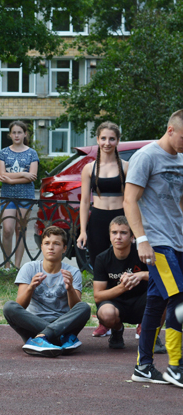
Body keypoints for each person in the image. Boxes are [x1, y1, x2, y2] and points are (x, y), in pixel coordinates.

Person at [124, 109, 183, 387]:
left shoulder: (181, 160)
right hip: (157, 242)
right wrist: (142, 239)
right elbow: (129, 200)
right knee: (179, 299)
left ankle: (143, 366)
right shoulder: (146, 156)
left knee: (156, 304)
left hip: (178, 240)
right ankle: (176, 366)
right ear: (170, 130)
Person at [2, 226, 91, 357]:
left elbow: (75, 308)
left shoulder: (73, 272)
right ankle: (58, 339)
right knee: (9, 307)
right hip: (35, 326)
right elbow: (20, 305)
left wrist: (70, 289)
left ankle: (42, 339)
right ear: (41, 247)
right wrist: (30, 288)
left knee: (84, 307)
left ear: (64, 249)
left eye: (56, 244)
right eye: (47, 243)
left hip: (63, 324)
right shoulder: (29, 268)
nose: (51, 247)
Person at [77, 122, 130, 337]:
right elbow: (84, 202)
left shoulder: (126, 167)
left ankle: (128, 314)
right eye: (103, 138)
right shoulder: (89, 168)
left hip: (121, 220)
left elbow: (132, 200)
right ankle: (104, 319)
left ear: (118, 141)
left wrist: (135, 229)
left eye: (112, 139)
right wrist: (83, 231)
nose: (107, 143)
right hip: (98, 221)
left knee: (125, 267)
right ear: (97, 140)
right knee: (101, 268)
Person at [93, 216, 148, 350]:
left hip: (141, 301)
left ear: (132, 236)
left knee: (162, 296)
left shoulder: (142, 253)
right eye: (114, 232)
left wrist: (141, 275)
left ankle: (152, 335)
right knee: (106, 313)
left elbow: (162, 278)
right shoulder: (102, 258)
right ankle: (117, 330)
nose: (118, 237)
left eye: (123, 233)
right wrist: (123, 287)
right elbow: (98, 296)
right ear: (110, 235)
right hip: (116, 303)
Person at [0, 121, 39, 269]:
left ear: (25, 134)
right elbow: (2, 175)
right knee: (7, 229)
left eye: (19, 132)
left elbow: (33, 176)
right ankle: (6, 266)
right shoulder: (3, 153)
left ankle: (17, 266)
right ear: (9, 135)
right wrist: (23, 174)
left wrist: (11, 180)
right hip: (7, 196)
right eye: (14, 132)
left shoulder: (32, 153)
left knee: (20, 230)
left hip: (26, 196)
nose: (16, 135)